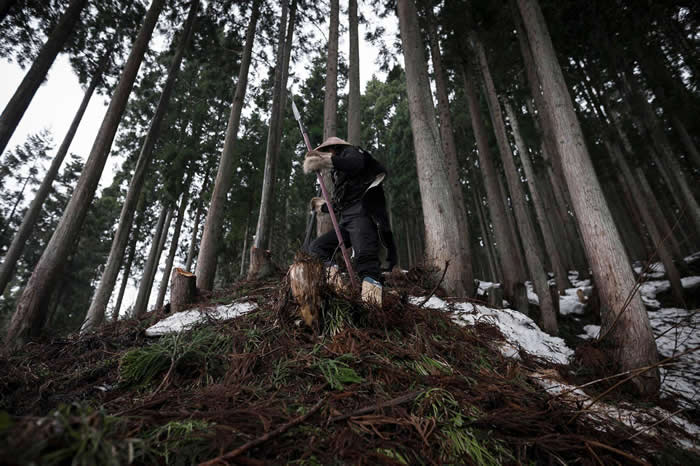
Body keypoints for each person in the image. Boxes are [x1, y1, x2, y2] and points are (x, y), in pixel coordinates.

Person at [303, 137, 397, 305]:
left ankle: (373, 309)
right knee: (317, 248)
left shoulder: (352, 152)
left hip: (362, 215)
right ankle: (336, 283)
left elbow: (355, 164)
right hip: (346, 221)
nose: (324, 155)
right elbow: (341, 203)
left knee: (366, 260)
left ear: (334, 148)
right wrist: (322, 207)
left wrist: (326, 161)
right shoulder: (339, 174)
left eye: (326, 152)